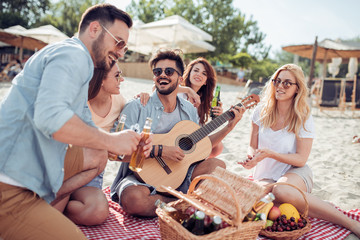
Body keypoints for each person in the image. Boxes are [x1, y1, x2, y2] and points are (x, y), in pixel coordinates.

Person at [0, 4, 151, 239]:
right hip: (9, 183)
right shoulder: (75, 54)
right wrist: (111, 139)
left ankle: (46, 201)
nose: (121, 52)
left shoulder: (76, 60)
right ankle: (37, 210)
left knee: (97, 154)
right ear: (94, 29)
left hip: (23, 166)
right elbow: (51, 117)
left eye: (125, 46)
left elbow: (88, 133)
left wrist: (126, 146)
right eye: (118, 42)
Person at [111, 49, 245, 217]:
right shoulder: (137, 106)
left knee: (218, 166)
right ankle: (183, 202)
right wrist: (161, 151)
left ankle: (170, 201)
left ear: (180, 79)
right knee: (133, 200)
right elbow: (115, 152)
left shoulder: (189, 109)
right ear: (154, 77)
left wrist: (228, 127)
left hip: (180, 175)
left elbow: (199, 144)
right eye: (157, 72)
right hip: (141, 179)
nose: (162, 75)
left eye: (169, 71)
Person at [239, 64, 360, 237]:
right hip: (265, 175)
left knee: (281, 191)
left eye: (287, 83)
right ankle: (298, 202)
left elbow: (301, 159)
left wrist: (271, 154)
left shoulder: (302, 116)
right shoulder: (260, 111)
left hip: (295, 172)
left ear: (297, 89)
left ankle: (350, 223)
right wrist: (251, 157)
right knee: (253, 200)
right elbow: (252, 145)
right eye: (277, 81)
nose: (280, 86)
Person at [181, 57, 224, 157]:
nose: (199, 74)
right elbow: (158, 89)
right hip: (174, 134)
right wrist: (188, 90)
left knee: (218, 146)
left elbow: (200, 130)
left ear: (205, 81)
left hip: (189, 140)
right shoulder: (179, 91)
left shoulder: (204, 102)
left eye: (204, 73)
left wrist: (218, 116)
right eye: (196, 70)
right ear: (189, 74)